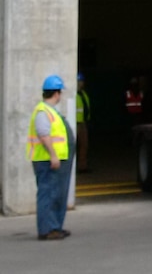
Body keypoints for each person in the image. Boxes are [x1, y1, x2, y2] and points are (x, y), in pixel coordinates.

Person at [26, 74, 75, 241]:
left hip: (49, 160)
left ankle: (53, 227)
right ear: (56, 93)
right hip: (46, 160)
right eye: (60, 92)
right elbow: (43, 134)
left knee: (53, 193)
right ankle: (47, 230)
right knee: (47, 194)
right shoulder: (43, 111)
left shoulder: (49, 111)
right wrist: (53, 155)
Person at [75, 73, 91, 173]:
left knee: (84, 145)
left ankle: (82, 166)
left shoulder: (83, 94)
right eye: (79, 81)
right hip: (75, 123)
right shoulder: (74, 94)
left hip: (83, 122)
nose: (81, 83)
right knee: (74, 146)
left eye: (82, 81)